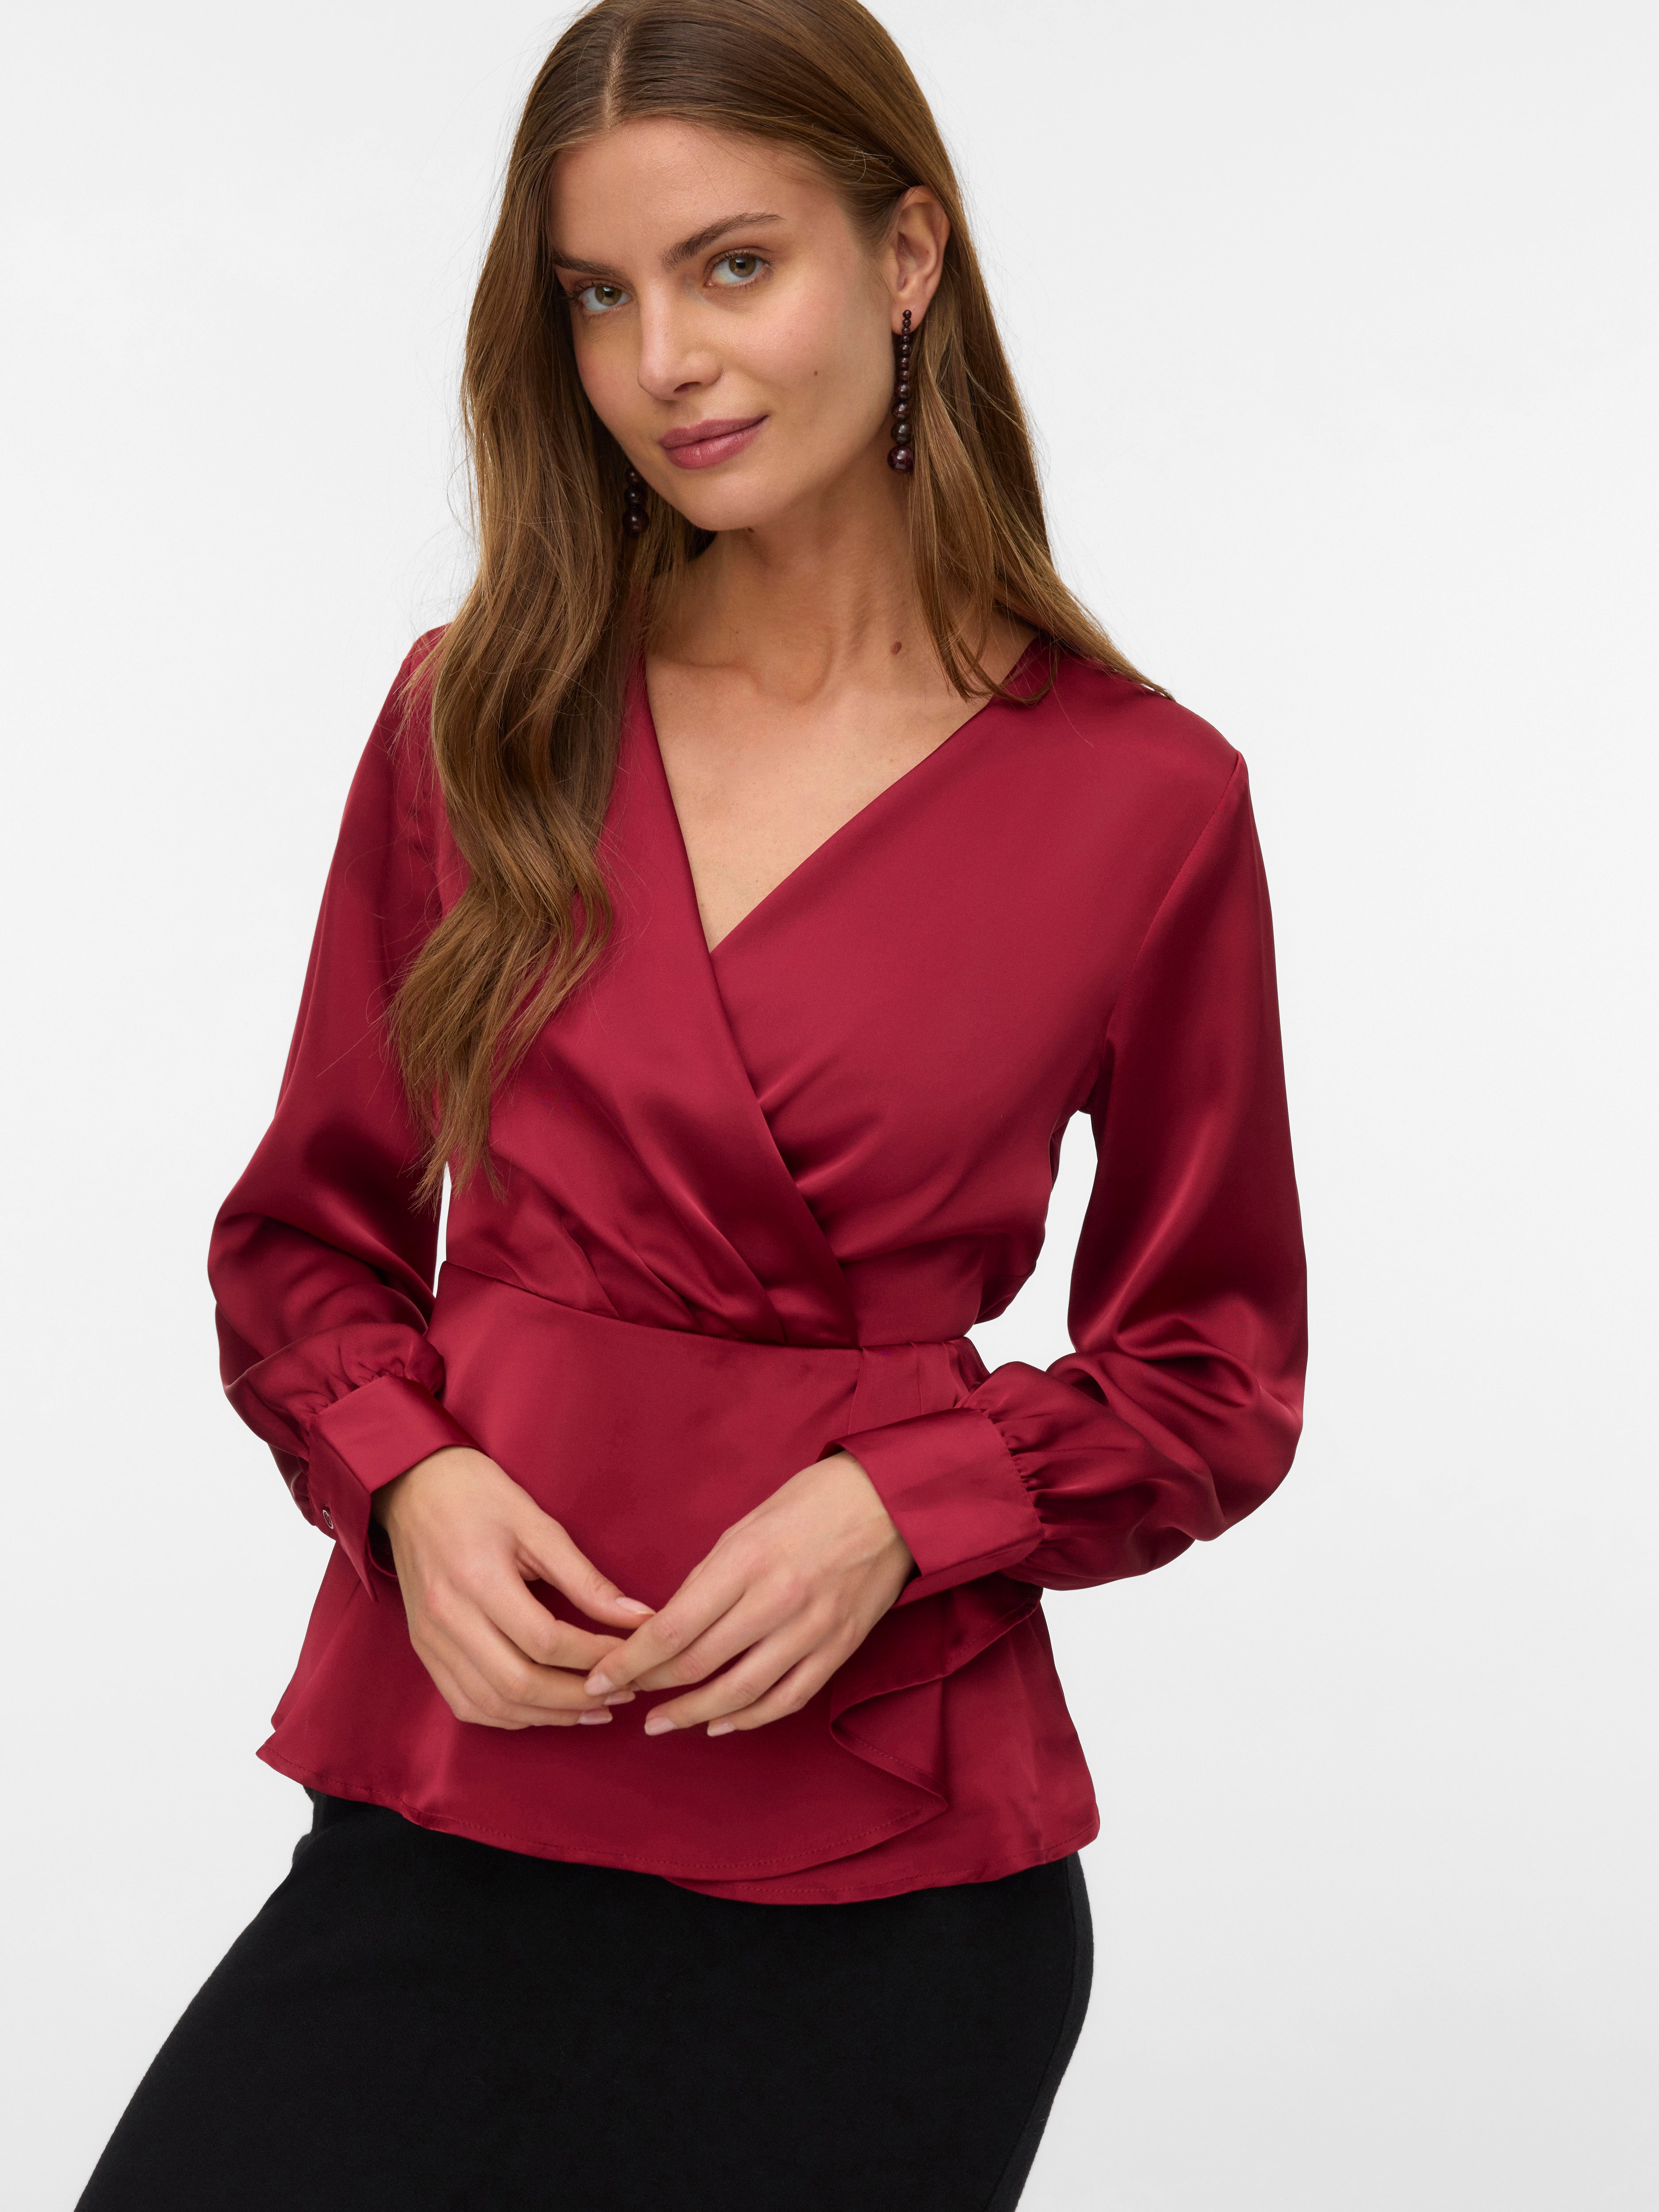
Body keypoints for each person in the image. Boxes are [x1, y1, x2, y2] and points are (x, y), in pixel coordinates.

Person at [76, 2, 1306, 2206]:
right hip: (449, 1808)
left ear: (905, 256)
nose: (662, 361)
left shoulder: (1145, 801)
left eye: (733, 265)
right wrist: (405, 1478)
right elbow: (305, 1243)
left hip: (876, 1900)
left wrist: (900, 1504)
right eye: (598, 294)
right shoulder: (483, 717)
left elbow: (1213, 1371)